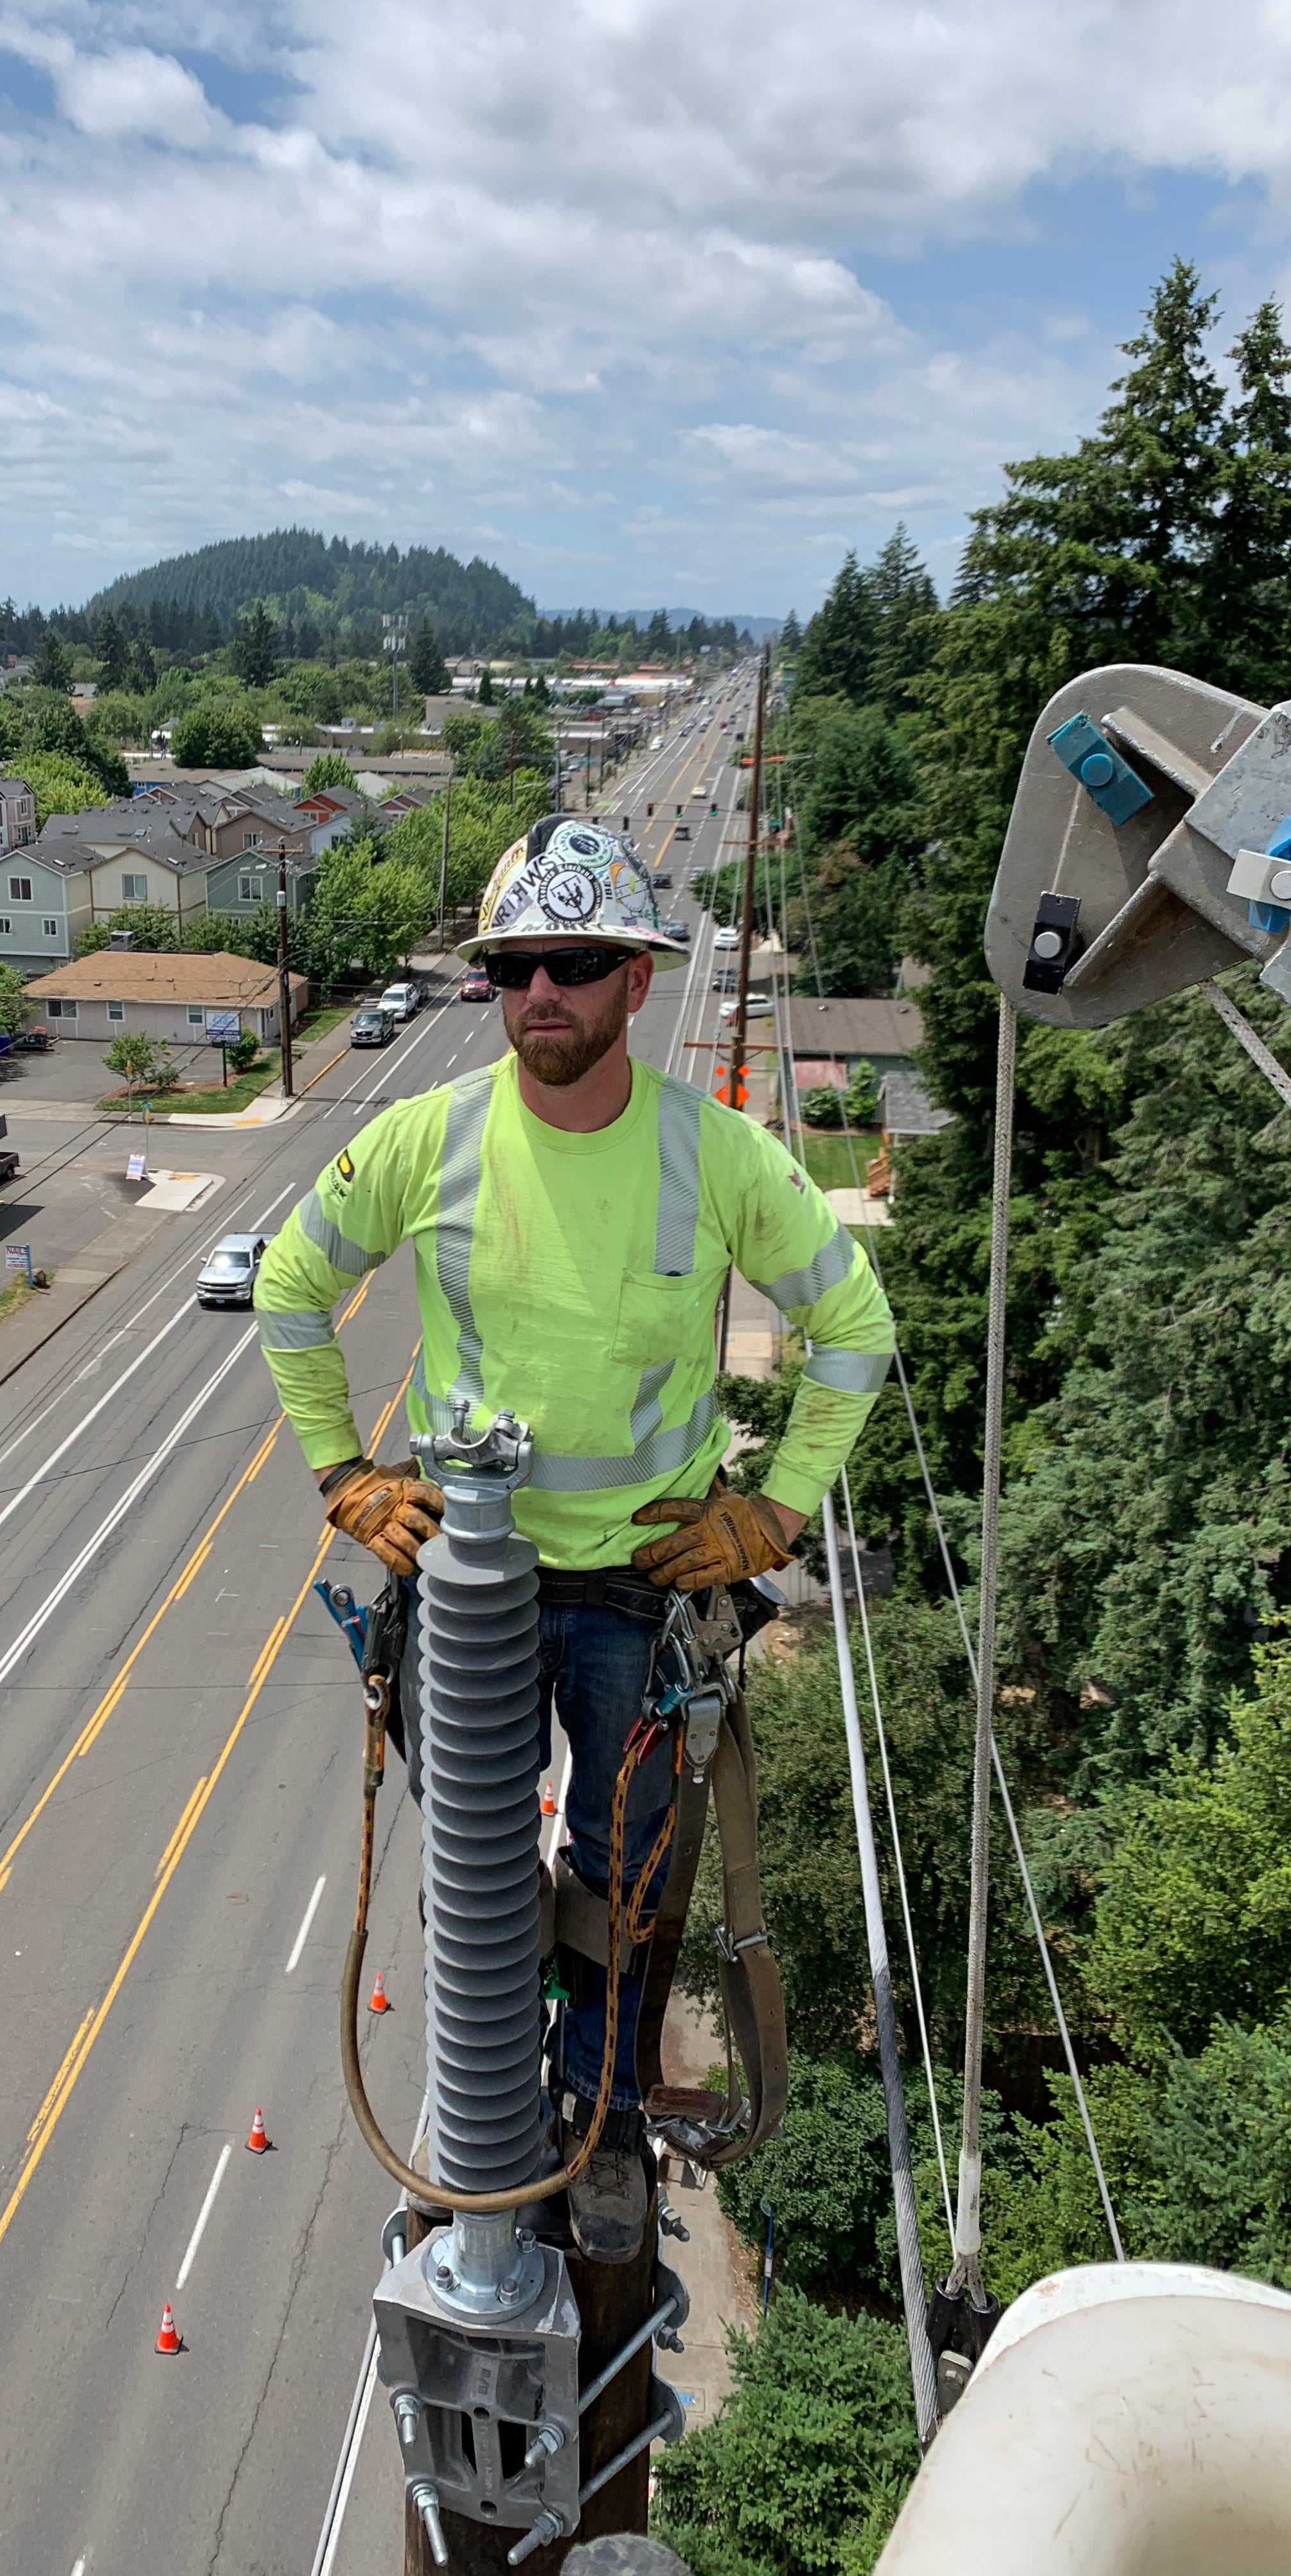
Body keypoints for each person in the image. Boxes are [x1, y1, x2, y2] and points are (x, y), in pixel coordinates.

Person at [256, 816, 894, 2260]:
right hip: (469, 1574)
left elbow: (854, 1327)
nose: (543, 989)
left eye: (578, 962)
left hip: (638, 1587)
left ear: (635, 983)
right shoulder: (428, 1142)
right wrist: (342, 1475)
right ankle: (486, 2114)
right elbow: (293, 1290)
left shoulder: (714, 1158)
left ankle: (599, 2117)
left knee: (624, 1878)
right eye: (517, 965)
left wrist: (776, 1507)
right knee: (478, 1866)